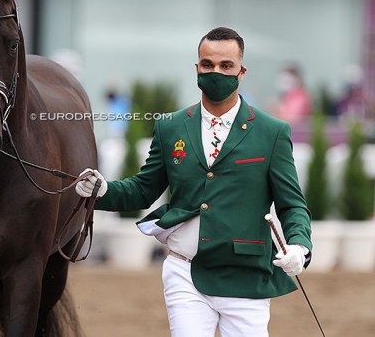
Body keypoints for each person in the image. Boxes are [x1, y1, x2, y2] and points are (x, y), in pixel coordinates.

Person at [76, 27, 312, 337]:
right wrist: (103, 191)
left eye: (226, 65)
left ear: (241, 72)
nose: (216, 72)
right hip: (184, 271)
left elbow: (292, 203)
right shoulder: (170, 126)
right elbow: (144, 189)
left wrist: (299, 245)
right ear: (197, 69)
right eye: (208, 64)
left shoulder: (272, 133)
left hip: (245, 275)